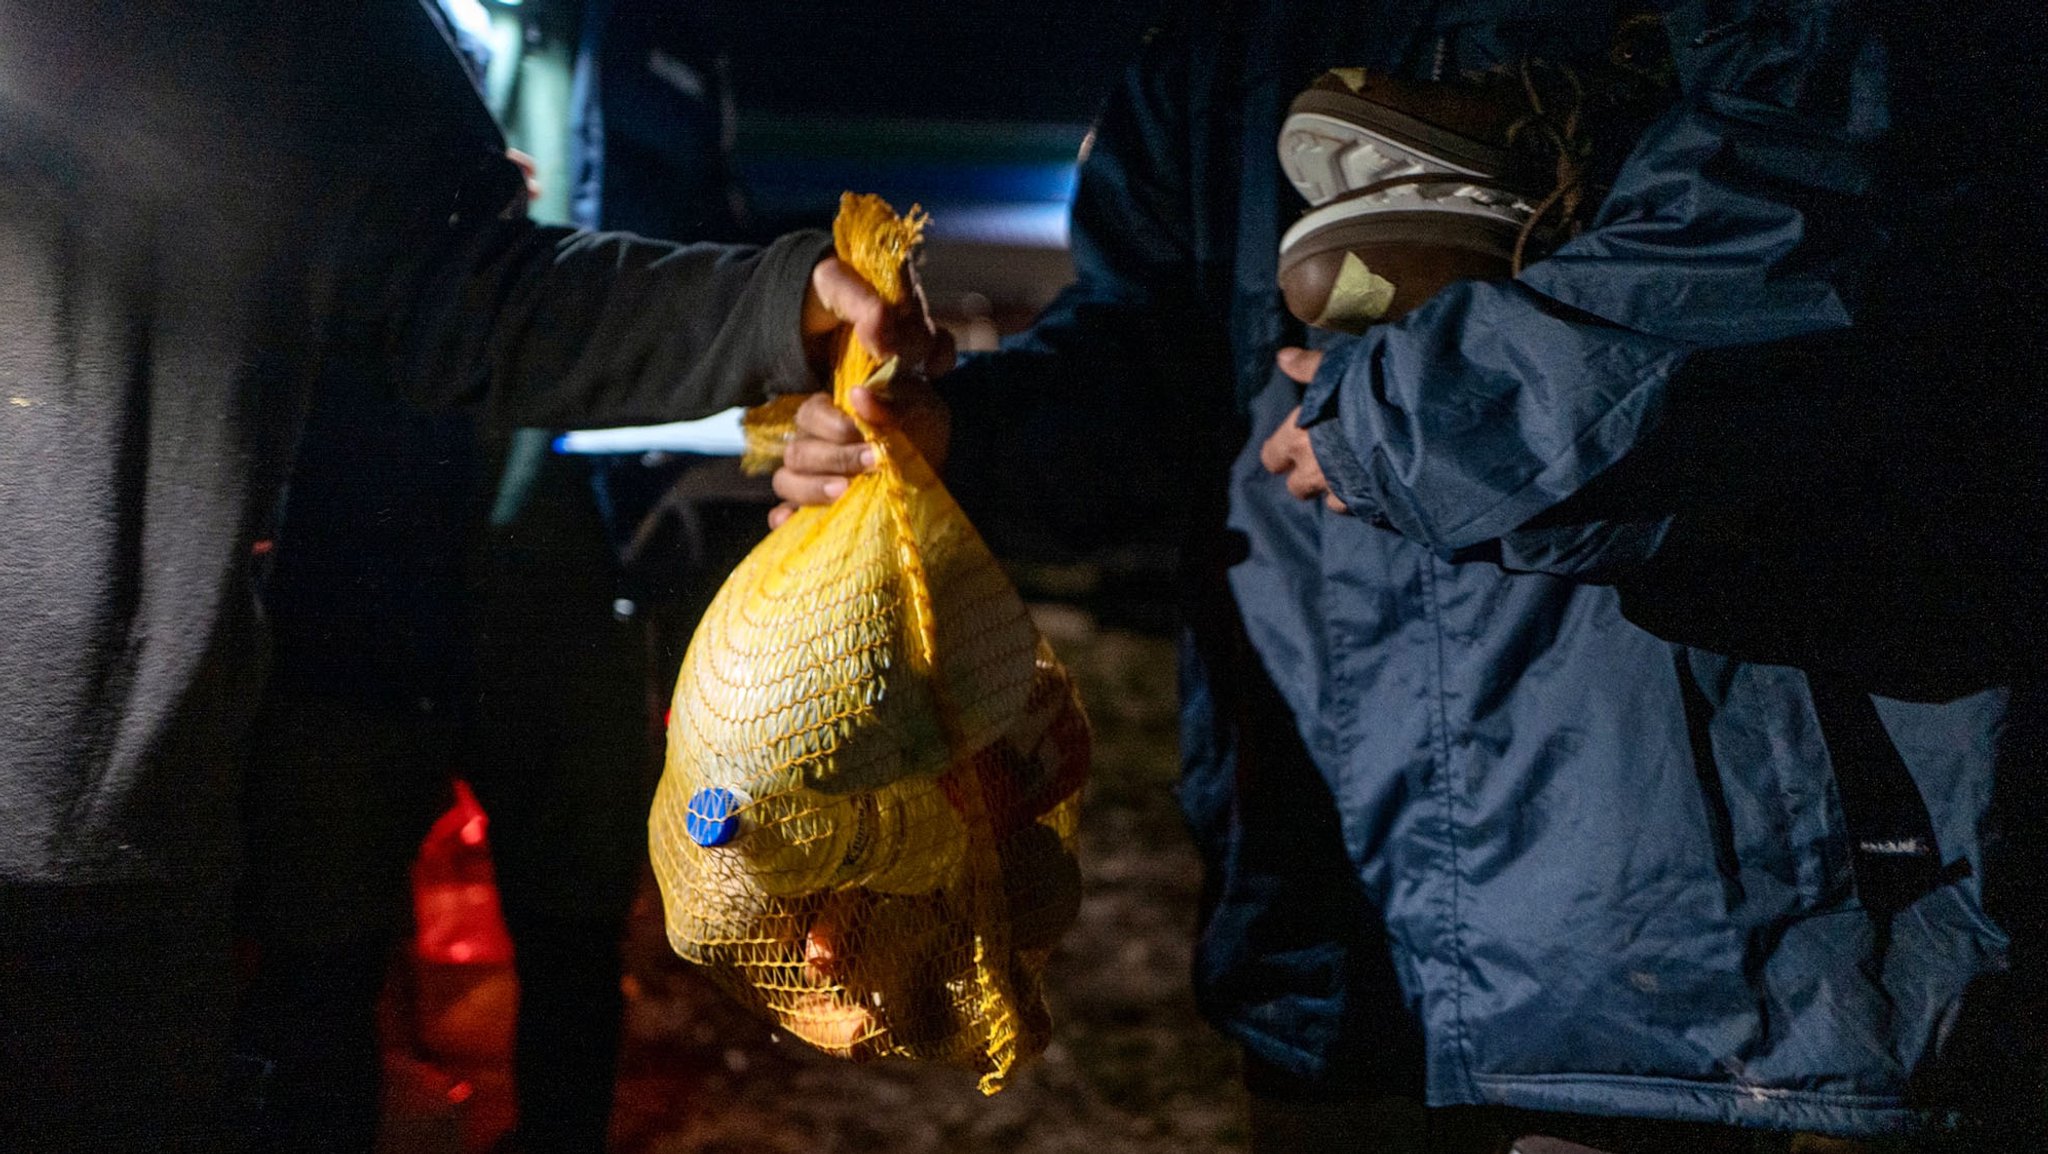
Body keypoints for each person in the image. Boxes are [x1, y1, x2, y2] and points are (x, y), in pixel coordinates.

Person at [773, 1, 2048, 1150]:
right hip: (1327, 910)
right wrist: (953, 445)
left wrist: (1400, 417)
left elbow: (1808, 207)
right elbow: (1154, 371)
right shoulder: (1219, 49)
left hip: (1694, 935)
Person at [0, 2, 940, 1150]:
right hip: (340, 601)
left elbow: (466, 284)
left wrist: (764, 308)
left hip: (122, 836)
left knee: (560, 932)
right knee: (320, 956)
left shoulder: (435, 40)